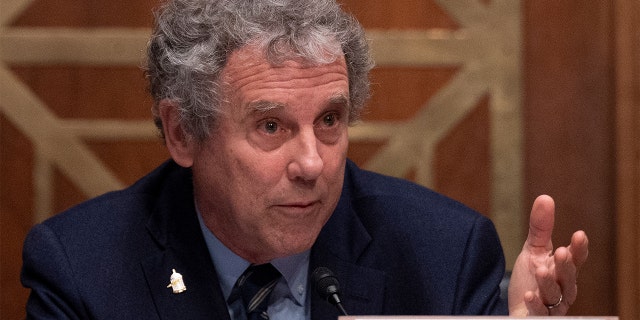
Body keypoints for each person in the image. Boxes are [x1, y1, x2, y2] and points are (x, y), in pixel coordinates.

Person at [21, 0, 589, 319]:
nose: (313, 164)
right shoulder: (81, 273)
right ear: (182, 134)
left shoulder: (444, 256)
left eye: (330, 121)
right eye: (271, 126)